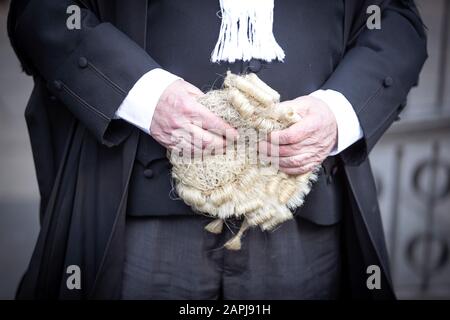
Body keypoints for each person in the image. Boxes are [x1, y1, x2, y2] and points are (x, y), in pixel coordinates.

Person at [8, 0, 427, 299]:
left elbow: (393, 18)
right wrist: (142, 95)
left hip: (306, 227)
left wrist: (340, 111)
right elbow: (43, 10)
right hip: (133, 224)